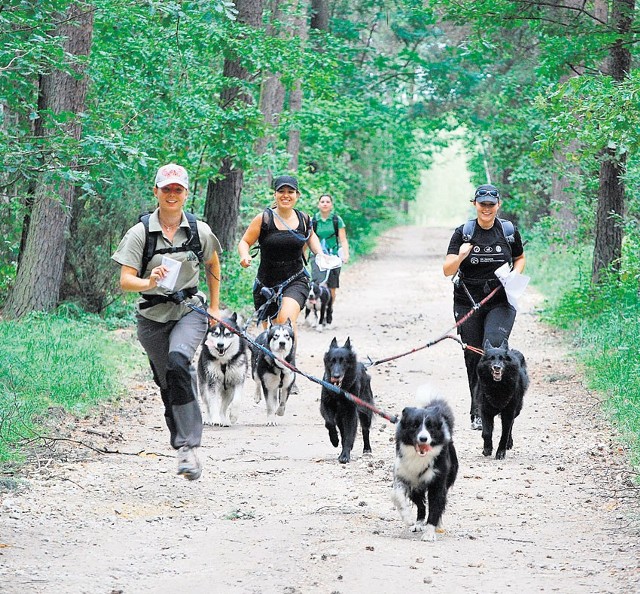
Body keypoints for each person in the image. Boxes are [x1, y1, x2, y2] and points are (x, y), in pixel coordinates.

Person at [112, 163, 222, 481]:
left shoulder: (199, 231)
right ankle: (182, 444)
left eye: (178, 189)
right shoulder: (140, 233)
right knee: (166, 383)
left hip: (189, 311)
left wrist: (214, 306)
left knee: (178, 363)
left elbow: (213, 263)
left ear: (186, 194)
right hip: (152, 318)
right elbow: (125, 280)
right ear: (156, 192)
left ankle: (188, 448)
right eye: (166, 188)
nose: (172, 194)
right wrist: (149, 282)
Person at [443, 184, 526, 430]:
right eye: (483, 204)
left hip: (500, 301)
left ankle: (503, 405)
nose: (487, 208)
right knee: (474, 355)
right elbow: (447, 270)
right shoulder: (464, 233)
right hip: (468, 300)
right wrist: (461, 257)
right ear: (475, 204)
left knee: (495, 350)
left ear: (498, 205)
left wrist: (514, 275)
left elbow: (519, 258)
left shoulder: (509, 231)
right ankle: (478, 409)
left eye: (491, 204)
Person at [238, 174, 324, 335]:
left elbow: (311, 237)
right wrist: (244, 255)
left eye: (290, 191)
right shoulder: (264, 218)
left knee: (285, 321)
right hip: (266, 282)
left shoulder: (304, 219)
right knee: (270, 332)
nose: (286, 195)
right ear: (275, 194)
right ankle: (271, 360)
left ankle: (289, 361)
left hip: (296, 279)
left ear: (297, 195)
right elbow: (244, 242)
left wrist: (320, 254)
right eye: (281, 191)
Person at [309, 194, 350, 306]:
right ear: (318, 204)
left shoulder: (337, 220)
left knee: (332, 286)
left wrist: (346, 254)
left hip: (334, 256)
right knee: (318, 284)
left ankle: (328, 309)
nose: (325, 204)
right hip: (317, 257)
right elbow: (308, 240)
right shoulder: (313, 221)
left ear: (331, 205)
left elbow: (343, 239)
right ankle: (317, 310)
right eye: (322, 202)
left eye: (327, 202)